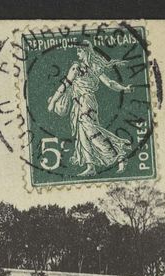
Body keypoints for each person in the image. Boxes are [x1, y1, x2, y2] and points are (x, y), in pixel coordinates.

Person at [47, 42, 133, 177]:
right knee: (83, 135)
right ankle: (90, 166)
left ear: (85, 51)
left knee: (91, 131)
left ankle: (117, 153)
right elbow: (109, 83)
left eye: (79, 51)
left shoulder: (77, 68)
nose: (77, 54)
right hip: (84, 103)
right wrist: (124, 89)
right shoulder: (95, 67)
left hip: (85, 102)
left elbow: (65, 85)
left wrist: (53, 102)